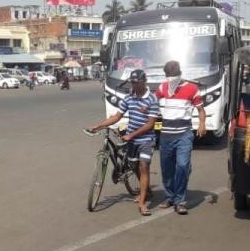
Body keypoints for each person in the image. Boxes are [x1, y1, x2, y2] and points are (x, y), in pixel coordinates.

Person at [85, 69, 159, 216]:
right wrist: (99, 125)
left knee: (144, 166)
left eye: (137, 83)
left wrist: (131, 135)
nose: (134, 86)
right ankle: (147, 191)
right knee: (134, 166)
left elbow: (150, 124)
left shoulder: (152, 99)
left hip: (146, 139)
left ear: (144, 82)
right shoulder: (128, 98)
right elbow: (117, 116)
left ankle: (143, 203)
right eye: (133, 83)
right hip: (131, 140)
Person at [154, 60, 206, 215]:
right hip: (166, 135)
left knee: (182, 166)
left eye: (173, 75)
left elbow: (200, 109)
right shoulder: (162, 87)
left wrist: (202, 124)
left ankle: (180, 201)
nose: (171, 78)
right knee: (167, 169)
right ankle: (170, 197)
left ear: (180, 74)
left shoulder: (192, 88)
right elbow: (151, 102)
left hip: (184, 134)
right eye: (168, 76)